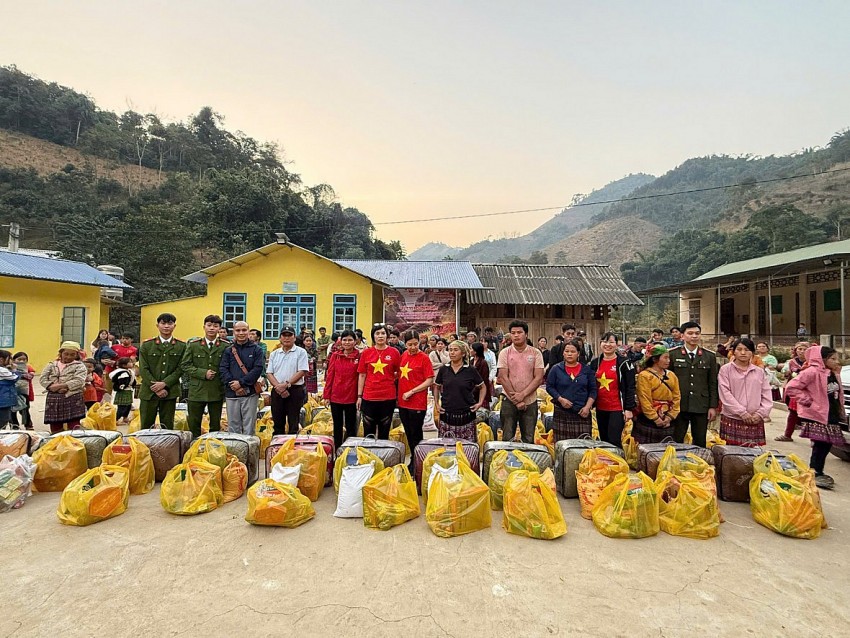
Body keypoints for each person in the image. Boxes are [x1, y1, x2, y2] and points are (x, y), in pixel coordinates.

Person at [785, 346, 843, 489]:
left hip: (831, 413)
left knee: (828, 443)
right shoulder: (811, 372)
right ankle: (814, 471)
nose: (837, 361)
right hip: (817, 413)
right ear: (822, 359)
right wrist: (808, 401)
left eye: (837, 358)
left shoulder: (834, 373)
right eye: (833, 359)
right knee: (820, 443)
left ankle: (818, 470)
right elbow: (792, 387)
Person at [667, 321, 718, 447]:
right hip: (679, 405)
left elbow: (712, 382)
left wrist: (713, 406)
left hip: (701, 404)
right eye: (690, 333)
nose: (694, 336)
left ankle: (699, 464)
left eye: (697, 333)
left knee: (700, 440)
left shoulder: (709, 356)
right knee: (676, 439)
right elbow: (668, 381)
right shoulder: (672, 354)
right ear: (682, 336)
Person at [717, 338, 773, 446]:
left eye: (747, 350)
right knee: (731, 454)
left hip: (754, 419)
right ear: (733, 352)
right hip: (732, 417)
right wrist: (742, 412)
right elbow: (725, 393)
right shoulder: (725, 370)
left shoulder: (759, 372)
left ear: (752, 352)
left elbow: (766, 394)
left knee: (752, 456)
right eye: (739, 349)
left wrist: (761, 414)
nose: (743, 353)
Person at [180, 315, 229, 438]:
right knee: (194, 422)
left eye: (215, 326)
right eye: (209, 325)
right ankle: (194, 446)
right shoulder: (193, 345)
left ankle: (212, 446)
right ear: (204, 327)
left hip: (216, 389)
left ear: (219, 328)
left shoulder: (225, 346)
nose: (212, 328)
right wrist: (202, 373)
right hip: (197, 390)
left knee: (215, 423)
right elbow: (185, 365)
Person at [497, 320, 545, 443]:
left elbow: (538, 378)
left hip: (530, 401)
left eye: (519, 332)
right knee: (507, 438)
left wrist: (522, 395)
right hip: (509, 400)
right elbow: (503, 377)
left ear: (526, 334)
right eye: (513, 333)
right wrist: (516, 399)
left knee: (528, 438)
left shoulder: (535, 353)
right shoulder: (504, 352)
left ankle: (527, 462)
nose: (516, 335)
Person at [138, 313, 186, 430]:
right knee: (146, 425)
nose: (166, 326)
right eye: (163, 323)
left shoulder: (181, 346)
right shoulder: (147, 345)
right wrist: (155, 386)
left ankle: (166, 448)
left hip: (170, 391)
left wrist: (165, 384)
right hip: (149, 391)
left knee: (167, 425)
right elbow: (143, 368)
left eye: (169, 323)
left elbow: (181, 367)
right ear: (157, 325)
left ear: (174, 326)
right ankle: (145, 447)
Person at [589, 332, 637, 447]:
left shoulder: (624, 363)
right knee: (604, 439)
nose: (608, 345)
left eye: (611, 342)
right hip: (600, 407)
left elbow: (631, 386)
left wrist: (629, 408)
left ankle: (619, 462)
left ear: (616, 344)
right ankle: (607, 463)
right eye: (605, 342)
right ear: (601, 343)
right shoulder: (595, 362)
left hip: (617, 408)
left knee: (614, 439)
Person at [433, 340, 485, 441]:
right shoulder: (444, 369)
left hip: (466, 414)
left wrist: (480, 403)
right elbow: (436, 386)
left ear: (463, 353)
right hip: (447, 413)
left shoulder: (470, 370)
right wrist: (436, 404)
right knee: (447, 449)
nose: (452, 353)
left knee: (466, 449)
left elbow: (482, 387)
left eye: (455, 350)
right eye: (450, 350)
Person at [218, 321, 264, 435]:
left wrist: (242, 383)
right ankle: (236, 450)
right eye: (238, 330)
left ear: (249, 332)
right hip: (232, 393)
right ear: (233, 332)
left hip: (250, 393)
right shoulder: (229, 350)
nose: (241, 333)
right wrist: (233, 385)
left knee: (249, 426)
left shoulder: (256, 350)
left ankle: (248, 451)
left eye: (244, 330)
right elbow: (223, 368)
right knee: (233, 426)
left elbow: (257, 369)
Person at [546, 338, 596, 441]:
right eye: (567, 351)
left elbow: (593, 390)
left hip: (582, 413)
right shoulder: (556, 369)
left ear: (578, 353)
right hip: (562, 412)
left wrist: (587, 407)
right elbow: (549, 387)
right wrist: (560, 399)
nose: (569, 354)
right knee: (562, 445)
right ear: (563, 353)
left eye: (573, 351)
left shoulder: (586, 370)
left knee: (582, 445)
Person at [397, 330, 434, 469]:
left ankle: (418, 462)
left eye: (415, 344)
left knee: (416, 433)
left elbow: (429, 380)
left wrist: (412, 391)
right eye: (409, 344)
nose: (413, 347)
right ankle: (413, 458)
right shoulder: (403, 355)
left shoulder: (424, 358)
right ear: (405, 344)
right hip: (403, 402)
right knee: (408, 432)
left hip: (417, 402)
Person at [357, 324, 400, 439]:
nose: (380, 336)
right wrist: (359, 396)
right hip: (369, 397)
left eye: (383, 333)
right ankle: (368, 456)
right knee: (368, 431)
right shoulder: (366, 353)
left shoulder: (394, 352)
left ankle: (383, 456)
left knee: (384, 432)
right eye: (377, 333)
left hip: (388, 397)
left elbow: (399, 373)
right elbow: (362, 375)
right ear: (373, 336)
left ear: (387, 336)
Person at [633, 344, 681, 444]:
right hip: (648, 419)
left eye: (669, 358)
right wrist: (655, 418)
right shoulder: (645, 376)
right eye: (665, 358)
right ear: (655, 359)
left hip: (668, 417)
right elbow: (644, 399)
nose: (668, 361)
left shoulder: (671, 375)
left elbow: (677, 397)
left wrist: (670, 416)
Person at [266, 326, 309, 435]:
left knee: (293, 422)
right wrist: (279, 388)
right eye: (284, 335)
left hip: (294, 390)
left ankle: (291, 448)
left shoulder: (301, 352)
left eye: (289, 335)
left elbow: (302, 371)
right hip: (277, 390)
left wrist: (286, 384)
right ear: (280, 338)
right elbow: (269, 373)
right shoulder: (274, 354)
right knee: (277, 421)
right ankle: (278, 448)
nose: (287, 338)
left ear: (294, 338)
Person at [39, 341, 88, 434]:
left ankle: (73, 443)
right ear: (60, 353)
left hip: (72, 396)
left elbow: (79, 380)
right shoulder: (52, 365)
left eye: (72, 354)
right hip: (53, 398)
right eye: (66, 354)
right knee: (55, 426)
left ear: (77, 355)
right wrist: (51, 386)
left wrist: (62, 386)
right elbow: (42, 378)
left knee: (74, 425)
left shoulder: (80, 366)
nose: (69, 357)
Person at [324, 329, 361, 449]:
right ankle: (338, 451)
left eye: (350, 340)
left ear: (355, 341)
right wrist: (326, 395)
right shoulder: (336, 356)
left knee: (351, 426)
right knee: (337, 426)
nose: (347, 342)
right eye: (344, 340)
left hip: (352, 397)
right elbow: (330, 376)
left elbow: (362, 376)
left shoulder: (359, 356)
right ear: (341, 341)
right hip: (336, 397)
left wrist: (360, 396)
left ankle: (350, 452)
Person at [775, 341, 809, 442]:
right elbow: (786, 373)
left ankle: (814, 439)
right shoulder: (791, 362)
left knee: (809, 415)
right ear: (795, 350)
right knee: (793, 412)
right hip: (795, 391)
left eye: (805, 349)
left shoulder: (812, 362)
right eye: (799, 349)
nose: (802, 352)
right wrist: (788, 373)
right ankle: (788, 434)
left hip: (808, 391)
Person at [9, 352, 35, 429]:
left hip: (24, 392)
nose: (21, 361)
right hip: (12, 392)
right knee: (12, 410)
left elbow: (30, 376)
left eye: (24, 359)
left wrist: (21, 373)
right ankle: (14, 425)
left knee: (25, 409)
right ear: (13, 360)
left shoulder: (28, 367)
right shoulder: (10, 368)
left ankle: (28, 424)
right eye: (19, 359)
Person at [109, 357, 135, 424]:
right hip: (123, 391)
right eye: (130, 362)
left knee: (128, 405)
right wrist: (122, 387)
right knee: (122, 406)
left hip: (128, 390)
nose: (132, 363)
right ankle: (116, 419)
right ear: (124, 365)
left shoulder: (129, 371)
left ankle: (125, 417)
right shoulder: (123, 373)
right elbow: (122, 382)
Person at [471, 342, 493, 410]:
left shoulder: (483, 363)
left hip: (481, 391)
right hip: (472, 392)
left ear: (476, 351)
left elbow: (484, 378)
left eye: (471, 349)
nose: (470, 350)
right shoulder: (471, 361)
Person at [0, 350, 19, 430]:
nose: (11, 361)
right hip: (3, 401)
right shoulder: (2, 370)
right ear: (1, 359)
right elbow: (14, 378)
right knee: (3, 420)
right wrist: (14, 370)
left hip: (4, 400)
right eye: (9, 358)